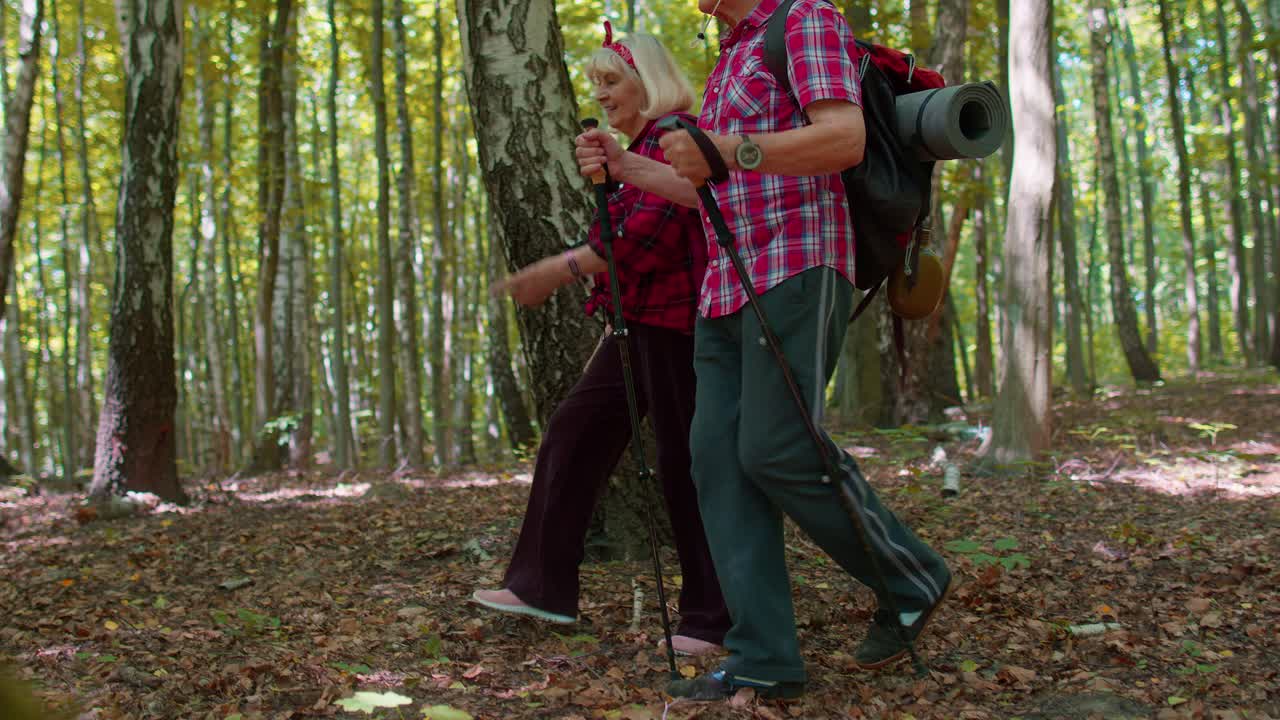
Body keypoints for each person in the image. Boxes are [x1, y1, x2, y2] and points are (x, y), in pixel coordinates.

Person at [575, 0, 952, 700]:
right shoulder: (730, 56)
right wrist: (626, 167)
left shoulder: (804, 18)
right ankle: (763, 657)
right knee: (717, 461)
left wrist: (734, 148)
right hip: (725, 285)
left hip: (798, 262)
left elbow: (843, 139)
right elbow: (705, 190)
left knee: (777, 447)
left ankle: (912, 575)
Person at [473, 24, 730, 658]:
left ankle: (713, 617)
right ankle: (542, 585)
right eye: (596, 83)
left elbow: (646, 242)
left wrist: (553, 271)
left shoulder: (678, 138)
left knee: (686, 464)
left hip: (681, 325)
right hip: (637, 323)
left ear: (649, 80)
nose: (602, 93)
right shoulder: (637, 145)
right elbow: (619, 230)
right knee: (574, 430)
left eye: (611, 80)